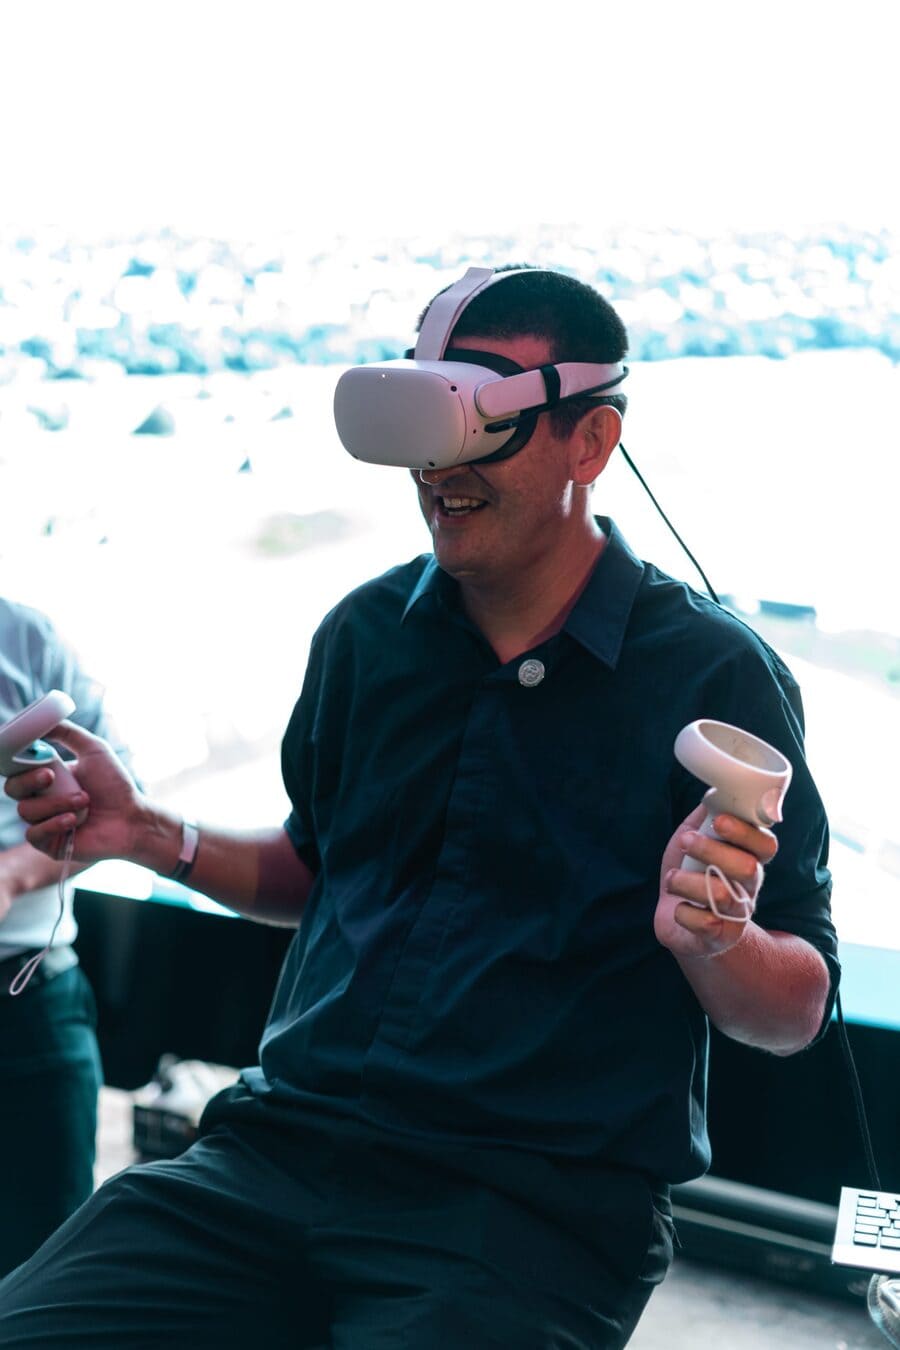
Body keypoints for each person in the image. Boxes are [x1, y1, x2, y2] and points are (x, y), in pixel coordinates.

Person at [0, 266, 838, 1349]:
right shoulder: (368, 636)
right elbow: (321, 872)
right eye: (422, 432)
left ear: (590, 441)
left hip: (529, 1214)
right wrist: (147, 835)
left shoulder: (715, 678)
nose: (439, 470)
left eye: (479, 426)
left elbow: (795, 1008)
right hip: (277, 1154)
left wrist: (715, 939)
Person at [0, 598, 123, 1277]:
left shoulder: (24, 637)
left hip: (29, 998)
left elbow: (118, 808)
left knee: (49, 1271)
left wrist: (11, 876)